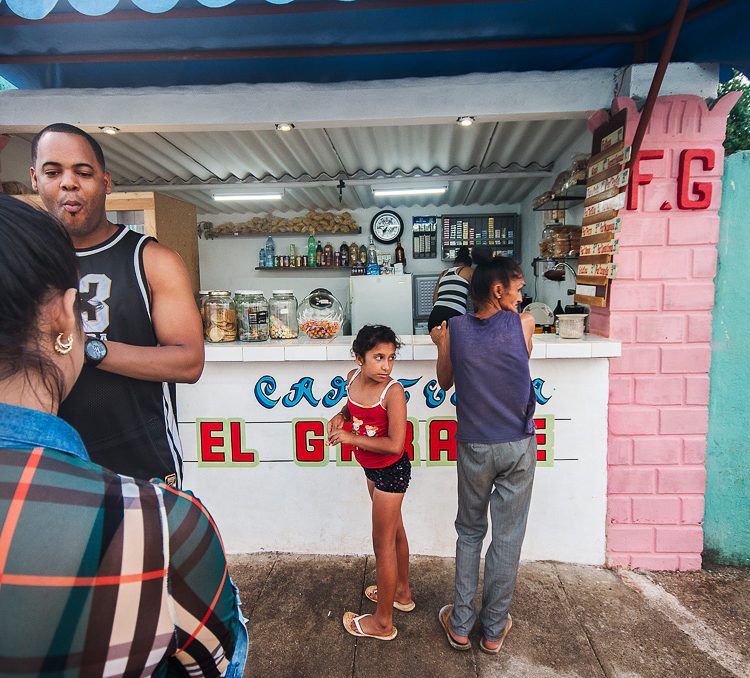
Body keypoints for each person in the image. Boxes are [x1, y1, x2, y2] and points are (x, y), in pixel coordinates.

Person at [0, 193, 247, 677]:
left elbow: (189, 361)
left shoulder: (149, 258)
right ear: (64, 315)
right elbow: (217, 665)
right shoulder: (165, 526)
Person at [29, 123, 204, 487]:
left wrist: (88, 349)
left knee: (147, 546)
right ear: (35, 179)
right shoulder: (23, 262)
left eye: (83, 172)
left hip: (139, 456)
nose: (68, 183)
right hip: (47, 454)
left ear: (106, 183)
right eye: (53, 172)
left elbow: (188, 361)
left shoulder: (151, 260)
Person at [430, 247, 536, 655]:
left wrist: (443, 344)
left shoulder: (455, 328)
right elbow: (518, 362)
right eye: (518, 288)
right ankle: (493, 630)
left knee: (469, 532)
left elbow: (444, 382)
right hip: (517, 445)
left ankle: (459, 624)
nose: (522, 297)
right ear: (497, 290)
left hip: (474, 446)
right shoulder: (523, 325)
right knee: (507, 536)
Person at [327, 325, 413, 641]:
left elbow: (394, 445)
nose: (386, 366)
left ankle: (382, 623)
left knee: (383, 544)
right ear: (359, 358)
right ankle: (401, 592)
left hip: (392, 471)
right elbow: (352, 407)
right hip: (371, 468)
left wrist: (351, 436)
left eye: (391, 358)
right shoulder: (353, 378)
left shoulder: (393, 392)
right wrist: (340, 416)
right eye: (378, 357)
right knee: (395, 532)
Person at [427, 245, 476, 331]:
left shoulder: (443, 273)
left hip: (435, 316)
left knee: (439, 343)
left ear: (454, 263)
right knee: (456, 344)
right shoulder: (470, 271)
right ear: (468, 264)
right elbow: (478, 298)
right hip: (455, 316)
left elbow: (435, 300)